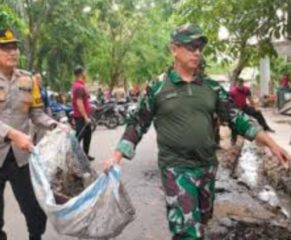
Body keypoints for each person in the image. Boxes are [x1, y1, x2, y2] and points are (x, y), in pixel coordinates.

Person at [102, 24, 291, 240]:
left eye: (200, 47)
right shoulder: (157, 88)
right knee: (187, 233)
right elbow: (137, 124)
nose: (197, 52)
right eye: (191, 46)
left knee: (203, 220)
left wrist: (272, 144)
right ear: (175, 49)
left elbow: (237, 118)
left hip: (207, 167)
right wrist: (117, 156)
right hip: (176, 168)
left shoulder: (211, 88)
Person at [0, 29, 67, 240]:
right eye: (5, 47)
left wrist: (55, 126)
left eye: (15, 47)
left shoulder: (28, 79)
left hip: (22, 158)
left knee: (36, 212)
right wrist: (14, 134)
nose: (12, 52)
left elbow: (37, 114)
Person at [230, 78, 275, 144]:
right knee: (234, 122)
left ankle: (266, 127)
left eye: (241, 85)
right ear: (236, 84)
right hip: (236, 109)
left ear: (243, 84)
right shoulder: (232, 92)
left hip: (244, 107)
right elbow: (230, 102)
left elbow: (250, 99)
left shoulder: (246, 89)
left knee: (257, 112)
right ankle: (233, 139)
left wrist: (255, 107)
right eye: (238, 85)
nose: (240, 86)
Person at [71, 65, 94, 161]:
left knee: (87, 136)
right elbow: (79, 103)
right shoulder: (79, 87)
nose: (86, 74)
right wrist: (85, 117)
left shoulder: (78, 85)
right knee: (78, 137)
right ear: (81, 73)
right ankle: (72, 158)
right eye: (84, 72)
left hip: (82, 116)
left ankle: (85, 155)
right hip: (81, 117)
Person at [32, 72, 52, 143]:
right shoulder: (30, 90)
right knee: (31, 139)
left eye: (40, 78)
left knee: (41, 140)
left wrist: (49, 118)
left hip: (42, 118)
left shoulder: (43, 90)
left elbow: (47, 105)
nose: (39, 80)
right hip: (32, 120)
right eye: (37, 78)